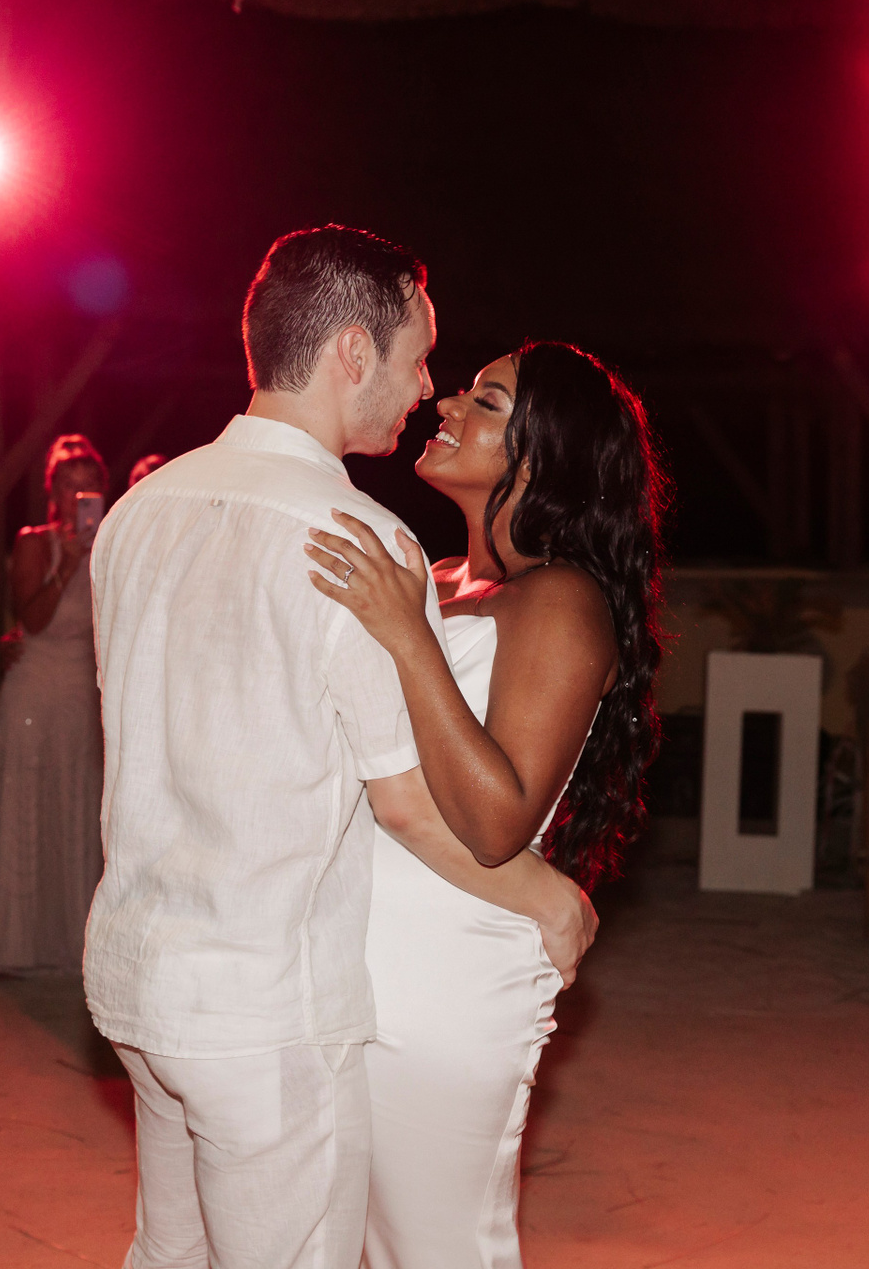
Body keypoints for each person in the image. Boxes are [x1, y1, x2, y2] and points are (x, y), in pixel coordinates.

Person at [82, 226, 597, 1269]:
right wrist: (545, 896)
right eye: (419, 356)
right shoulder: (360, 538)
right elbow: (401, 799)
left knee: (168, 1254)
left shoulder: (138, 510)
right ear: (354, 353)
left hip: (136, 978)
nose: (426, 387)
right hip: (263, 1003)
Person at [303, 340, 667, 1269]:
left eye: (488, 402)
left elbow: (500, 823)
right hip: (351, 951)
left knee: (437, 1248)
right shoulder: (431, 579)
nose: (449, 403)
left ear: (543, 458)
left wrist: (407, 636)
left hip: (448, 969)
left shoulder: (561, 600)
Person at [0, 434, 109, 974]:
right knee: (30, 805)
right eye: (68, 485)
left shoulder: (116, 545)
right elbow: (31, 620)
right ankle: (19, 944)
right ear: (52, 492)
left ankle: (80, 945)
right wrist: (68, 563)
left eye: (89, 484)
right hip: (35, 685)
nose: (78, 495)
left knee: (81, 807)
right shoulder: (35, 542)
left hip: (84, 690)